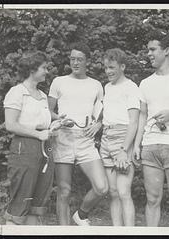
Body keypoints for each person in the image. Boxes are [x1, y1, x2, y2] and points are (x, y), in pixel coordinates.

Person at [133, 30, 169, 227]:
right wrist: (137, 145)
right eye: (147, 50)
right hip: (150, 147)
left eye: (153, 49)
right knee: (152, 200)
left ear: (166, 50)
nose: (148, 54)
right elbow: (142, 115)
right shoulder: (145, 83)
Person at [48, 42, 108, 225]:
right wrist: (59, 118)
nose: (75, 63)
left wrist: (98, 125)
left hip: (86, 141)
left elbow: (102, 113)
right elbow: (47, 111)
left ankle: (81, 214)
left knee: (102, 187)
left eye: (79, 59)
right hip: (64, 138)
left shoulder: (96, 85)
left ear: (87, 61)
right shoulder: (59, 82)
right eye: (72, 59)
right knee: (64, 190)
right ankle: (63, 231)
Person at [3, 51, 55, 225]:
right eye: (44, 68)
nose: (47, 71)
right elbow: (11, 124)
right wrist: (38, 134)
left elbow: (43, 121)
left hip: (45, 148)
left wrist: (58, 122)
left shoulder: (42, 96)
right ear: (32, 69)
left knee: (37, 202)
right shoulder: (17, 92)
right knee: (21, 200)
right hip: (24, 148)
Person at [100, 48, 140, 226]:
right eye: (106, 67)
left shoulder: (131, 87)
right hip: (106, 138)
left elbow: (133, 122)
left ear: (122, 66)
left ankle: (129, 232)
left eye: (112, 67)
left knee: (124, 192)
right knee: (114, 192)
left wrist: (125, 150)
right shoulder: (107, 87)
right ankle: (116, 231)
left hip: (122, 138)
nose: (108, 71)